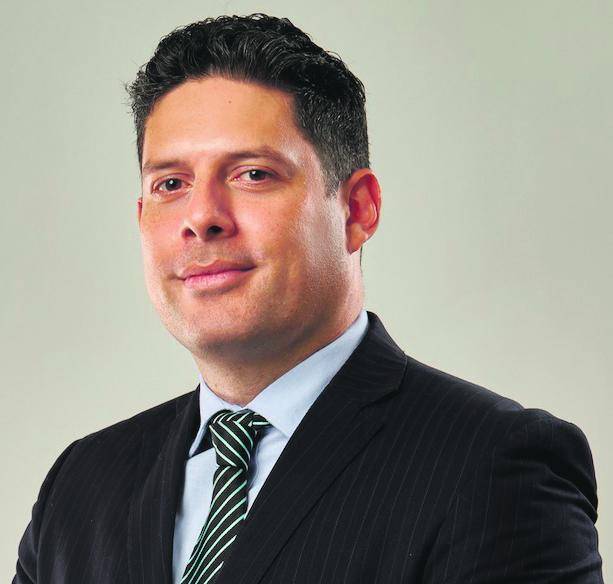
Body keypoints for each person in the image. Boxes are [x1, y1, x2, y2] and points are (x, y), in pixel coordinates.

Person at [14, 13, 603, 584]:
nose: (201, 217)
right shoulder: (81, 486)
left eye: (253, 174)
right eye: (171, 184)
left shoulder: (493, 464)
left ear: (357, 209)